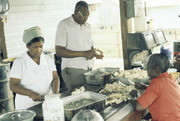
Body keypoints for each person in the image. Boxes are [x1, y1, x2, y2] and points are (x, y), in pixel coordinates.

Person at [55, 1, 103, 91]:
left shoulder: (87, 26)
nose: (86, 18)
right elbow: (59, 51)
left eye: (88, 15)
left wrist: (95, 53)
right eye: (84, 15)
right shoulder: (64, 25)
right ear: (76, 12)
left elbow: (90, 47)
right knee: (77, 96)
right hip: (73, 70)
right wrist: (84, 54)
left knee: (89, 95)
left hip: (89, 68)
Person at [10, 26, 60, 109]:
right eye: (35, 47)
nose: (39, 50)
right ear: (27, 46)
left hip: (47, 102)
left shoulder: (47, 59)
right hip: (27, 105)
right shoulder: (20, 62)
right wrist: (31, 93)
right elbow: (13, 85)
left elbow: (55, 77)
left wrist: (55, 92)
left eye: (41, 46)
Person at [134, 53, 180, 121]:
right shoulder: (171, 78)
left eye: (148, 69)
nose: (147, 72)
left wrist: (134, 95)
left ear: (157, 70)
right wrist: (146, 87)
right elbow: (161, 91)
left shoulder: (156, 83)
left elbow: (139, 107)